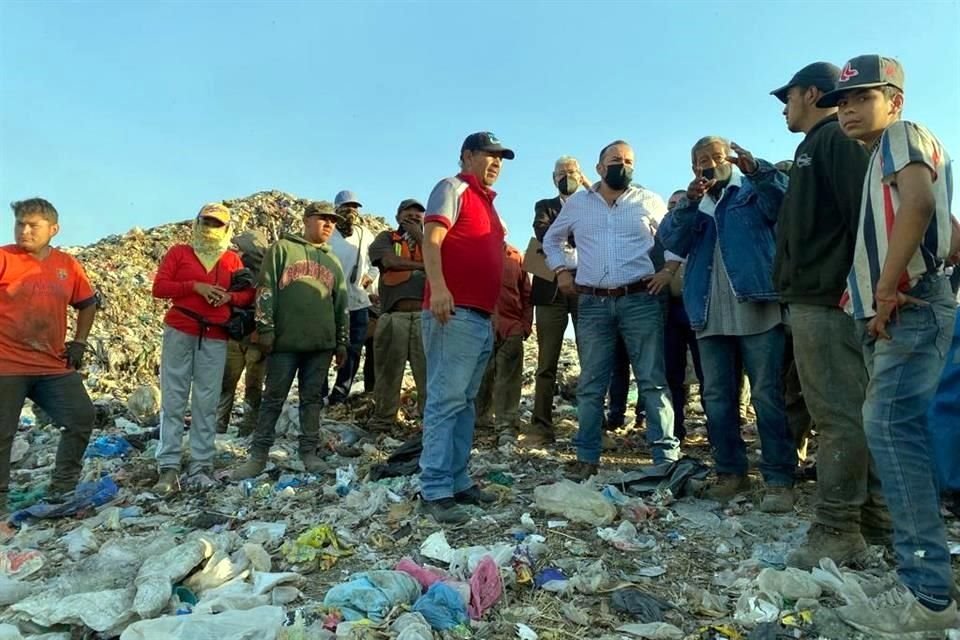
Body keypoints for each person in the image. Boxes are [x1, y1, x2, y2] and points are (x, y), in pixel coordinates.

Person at [818, 54, 957, 634]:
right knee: (902, 434)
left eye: (861, 97)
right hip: (906, 306)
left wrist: (889, 284)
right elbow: (946, 227)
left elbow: (923, 207)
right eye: (842, 101)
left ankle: (928, 596)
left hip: (905, 306)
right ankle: (926, 576)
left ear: (894, 100)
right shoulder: (886, 157)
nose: (847, 109)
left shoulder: (901, 135)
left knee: (889, 430)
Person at [769, 62, 892, 566]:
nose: (784, 107)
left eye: (789, 96)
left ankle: (837, 526)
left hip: (829, 301)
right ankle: (877, 521)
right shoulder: (813, 148)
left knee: (838, 416)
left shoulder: (833, 143)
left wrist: (862, 293)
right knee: (855, 413)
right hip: (823, 296)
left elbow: (866, 218)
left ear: (812, 93)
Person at [659, 137, 795, 512]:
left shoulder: (751, 189)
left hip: (756, 305)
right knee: (716, 397)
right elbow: (670, 241)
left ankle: (780, 478)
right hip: (707, 312)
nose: (709, 165)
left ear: (730, 160)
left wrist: (758, 171)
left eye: (716, 158)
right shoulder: (696, 206)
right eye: (701, 161)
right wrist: (688, 202)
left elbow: (783, 206)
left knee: (766, 394)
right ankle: (731, 473)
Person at [543, 140, 680, 480]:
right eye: (616, 160)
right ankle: (587, 457)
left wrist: (668, 271)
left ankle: (665, 457)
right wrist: (561, 271)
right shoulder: (578, 204)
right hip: (592, 304)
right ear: (600, 168)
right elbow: (551, 239)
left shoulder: (648, 200)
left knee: (652, 380)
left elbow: (673, 238)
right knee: (591, 384)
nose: (624, 165)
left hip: (640, 300)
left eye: (629, 160)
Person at [418, 131, 513, 523]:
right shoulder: (452, 187)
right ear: (467, 156)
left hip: (478, 317)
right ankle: (435, 489)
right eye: (489, 155)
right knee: (445, 399)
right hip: (451, 312)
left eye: (500, 158)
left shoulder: (489, 204)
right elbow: (432, 239)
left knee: (465, 402)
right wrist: (439, 288)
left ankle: (457, 481)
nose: (496, 163)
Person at [233, 201, 349, 479]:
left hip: (320, 344)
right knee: (273, 398)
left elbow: (340, 302)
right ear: (307, 220)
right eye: (322, 219)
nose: (329, 224)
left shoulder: (332, 261)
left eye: (332, 221)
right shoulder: (282, 249)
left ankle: (308, 452)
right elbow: (266, 288)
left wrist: (342, 341)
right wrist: (266, 328)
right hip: (285, 342)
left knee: (312, 400)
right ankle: (258, 456)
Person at [0, 199, 98, 512]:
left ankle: (62, 487)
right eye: (20, 224)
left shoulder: (66, 265)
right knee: (2, 434)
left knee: (81, 417)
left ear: (53, 229)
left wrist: (80, 342)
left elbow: (87, 302)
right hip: (6, 364)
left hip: (52, 363)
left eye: (33, 225)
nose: (24, 230)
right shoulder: (4, 258)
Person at [151, 203, 255, 496]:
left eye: (217, 223)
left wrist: (228, 298)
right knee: (173, 398)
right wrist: (195, 287)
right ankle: (168, 466)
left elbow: (248, 295)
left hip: (215, 335)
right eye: (206, 221)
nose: (210, 227)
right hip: (181, 329)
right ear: (197, 223)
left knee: (207, 402)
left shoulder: (232, 260)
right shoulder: (179, 253)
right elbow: (160, 287)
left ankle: (201, 464)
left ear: (227, 228)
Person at [522, 156, 586, 448]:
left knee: (591, 360)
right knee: (546, 363)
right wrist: (575, 233)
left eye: (571, 172)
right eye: (561, 173)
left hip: (587, 288)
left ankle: (591, 426)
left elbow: (597, 235)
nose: (566, 177)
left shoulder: (592, 204)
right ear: (553, 178)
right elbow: (544, 232)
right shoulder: (544, 206)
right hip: (550, 291)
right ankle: (541, 427)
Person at [367, 199, 429, 432]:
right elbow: (389, 261)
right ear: (397, 216)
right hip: (395, 316)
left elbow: (443, 261)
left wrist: (421, 237)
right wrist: (424, 266)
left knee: (428, 376)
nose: (414, 217)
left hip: (426, 317)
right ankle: (383, 422)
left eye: (418, 214)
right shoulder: (386, 238)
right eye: (408, 213)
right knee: (388, 374)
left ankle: (430, 424)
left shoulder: (432, 240)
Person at [476, 238, 533, 443]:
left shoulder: (517, 256)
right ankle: (479, 422)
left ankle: (507, 426)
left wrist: (526, 324)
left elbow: (527, 294)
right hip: (482, 323)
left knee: (508, 380)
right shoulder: (476, 252)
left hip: (511, 326)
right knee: (482, 376)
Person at [324, 190, 377, 405]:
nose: (351, 212)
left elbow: (375, 263)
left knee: (353, 350)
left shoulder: (366, 234)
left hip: (358, 301)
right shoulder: (328, 235)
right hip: (330, 302)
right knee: (326, 348)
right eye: (347, 207)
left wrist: (369, 277)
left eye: (355, 207)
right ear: (337, 209)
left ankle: (340, 394)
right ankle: (319, 394)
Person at [216, 230, 268, 436]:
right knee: (226, 382)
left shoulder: (268, 275)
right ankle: (220, 425)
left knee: (253, 386)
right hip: (233, 336)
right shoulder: (232, 270)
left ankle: (248, 427)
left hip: (255, 340)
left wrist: (259, 330)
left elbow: (270, 306)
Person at [661, 189, 703, 441]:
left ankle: (717, 433)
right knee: (671, 373)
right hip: (669, 310)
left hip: (696, 307)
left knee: (707, 373)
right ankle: (675, 429)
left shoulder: (698, 231)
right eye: (671, 204)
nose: (676, 208)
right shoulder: (662, 237)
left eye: (680, 203)